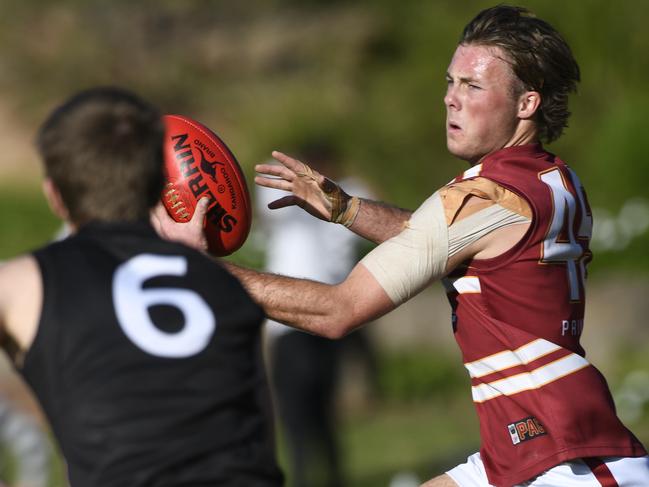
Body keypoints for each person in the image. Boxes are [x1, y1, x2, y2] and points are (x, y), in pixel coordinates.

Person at [156, 6, 649, 486]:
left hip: (567, 461)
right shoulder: (552, 179)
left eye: (473, 86)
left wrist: (197, 268)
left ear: (527, 104)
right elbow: (440, 237)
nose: (451, 99)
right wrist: (347, 208)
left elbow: (337, 311)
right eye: (450, 82)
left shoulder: (483, 197)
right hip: (536, 442)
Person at [0, 87, 283, 487]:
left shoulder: (28, 284)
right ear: (158, 190)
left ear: (55, 197)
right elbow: (260, 443)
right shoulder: (226, 289)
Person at [257, 141, 374, 487]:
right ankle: (321, 478)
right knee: (309, 416)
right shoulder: (317, 202)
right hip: (308, 324)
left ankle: (321, 478)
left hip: (308, 323)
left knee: (308, 416)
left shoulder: (343, 198)